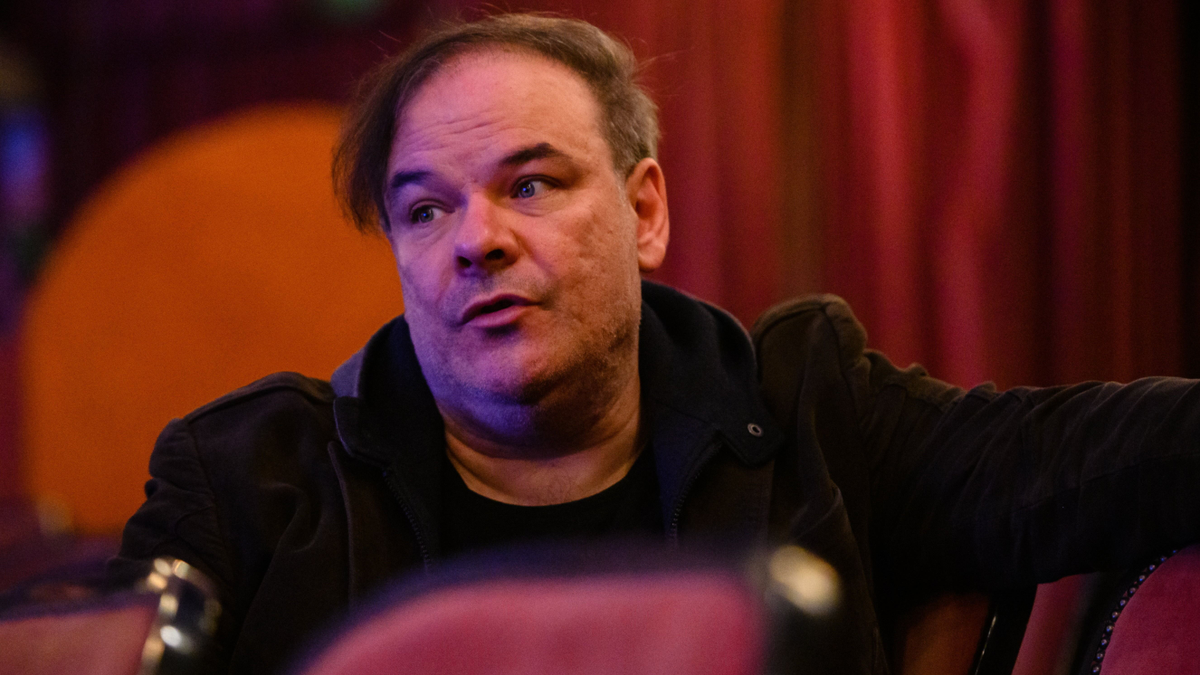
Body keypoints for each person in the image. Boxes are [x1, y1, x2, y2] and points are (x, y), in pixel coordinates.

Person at [108, 13, 1200, 675]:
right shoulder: (248, 483)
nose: (477, 240)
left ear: (645, 213)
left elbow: (1121, 456)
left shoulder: (814, 414)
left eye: (530, 185)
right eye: (426, 209)